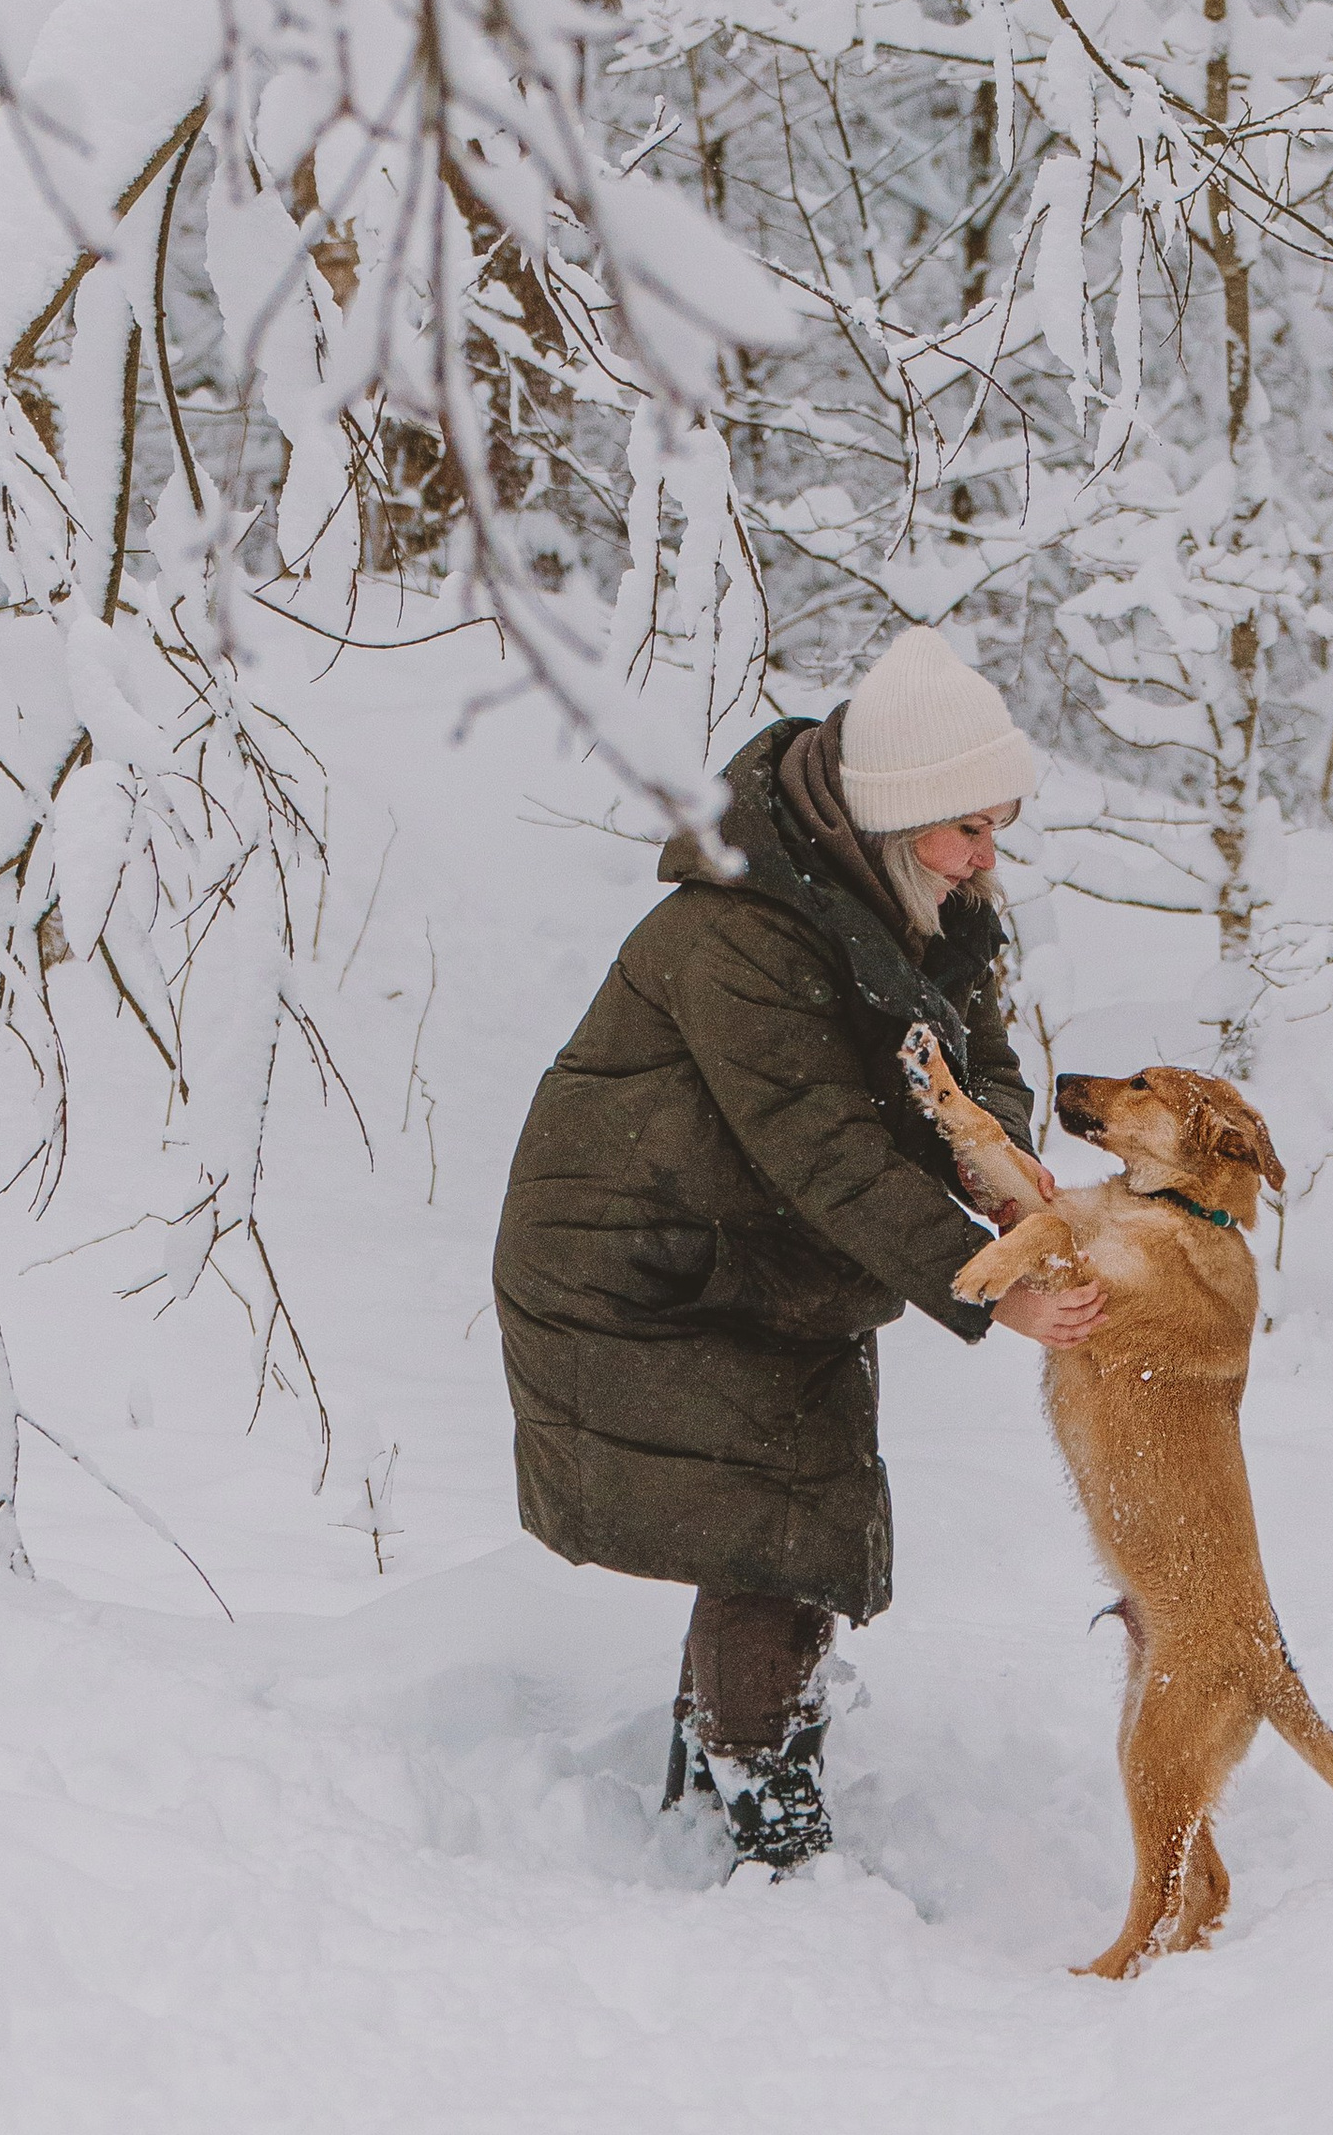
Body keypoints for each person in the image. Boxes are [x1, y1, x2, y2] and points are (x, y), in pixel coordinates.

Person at [492, 626, 1103, 1872]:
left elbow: (976, 1054)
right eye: (969, 829)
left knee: (794, 1513)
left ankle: (722, 1785)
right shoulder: (738, 933)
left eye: (997, 826)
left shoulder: (928, 895)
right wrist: (986, 1289)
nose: (989, 856)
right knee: (777, 1527)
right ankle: (767, 1825)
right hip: (639, 1263)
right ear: (896, 817)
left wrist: (995, 1166)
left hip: (758, 1252)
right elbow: (822, 1147)